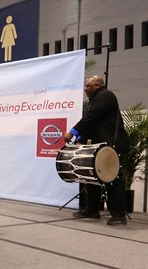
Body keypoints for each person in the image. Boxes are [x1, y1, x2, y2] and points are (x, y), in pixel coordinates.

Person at [63, 76, 129, 226]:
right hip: (100, 145)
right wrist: (80, 138)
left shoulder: (106, 96)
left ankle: (119, 215)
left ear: (98, 85)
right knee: (91, 175)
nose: (85, 88)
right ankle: (92, 210)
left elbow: (91, 118)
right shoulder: (95, 99)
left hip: (112, 145)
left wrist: (72, 132)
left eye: (88, 86)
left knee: (114, 179)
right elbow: (93, 123)